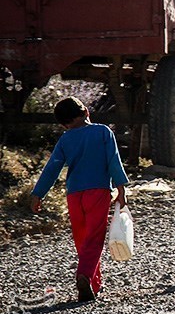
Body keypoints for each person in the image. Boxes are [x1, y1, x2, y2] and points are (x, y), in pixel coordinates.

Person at [30, 96, 129, 302]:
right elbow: (114, 163)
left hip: (74, 195)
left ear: (64, 124)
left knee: (83, 239)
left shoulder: (65, 139)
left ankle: (94, 283)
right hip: (98, 192)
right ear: (86, 111)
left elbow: (52, 169)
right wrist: (121, 190)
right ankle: (84, 275)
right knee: (94, 238)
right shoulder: (103, 132)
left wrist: (38, 194)